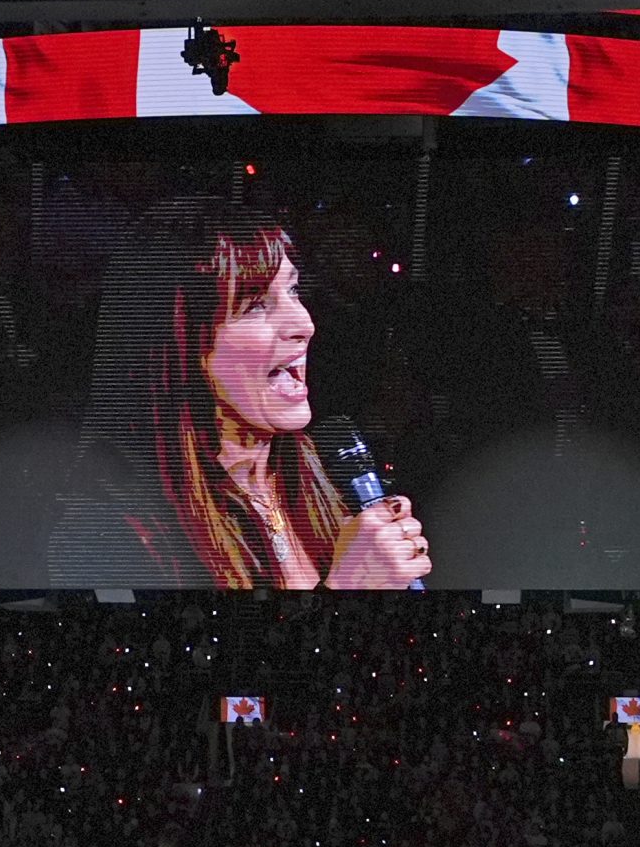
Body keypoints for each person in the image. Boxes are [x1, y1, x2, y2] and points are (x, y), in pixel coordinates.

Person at [46, 198, 433, 592]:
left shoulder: (324, 473)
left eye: (294, 290)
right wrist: (349, 586)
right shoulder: (108, 532)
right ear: (180, 345)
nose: (304, 323)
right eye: (255, 305)